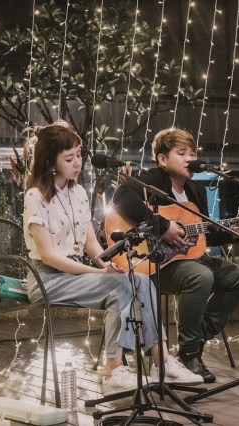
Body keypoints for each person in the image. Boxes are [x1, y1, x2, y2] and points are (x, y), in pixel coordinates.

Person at [23, 123, 203, 396]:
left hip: (75, 273)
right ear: (50, 162)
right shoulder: (35, 196)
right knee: (120, 287)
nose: (77, 163)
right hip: (47, 278)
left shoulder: (77, 193)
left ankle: (162, 363)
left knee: (140, 280)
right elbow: (48, 255)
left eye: (79, 155)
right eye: (69, 159)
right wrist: (97, 273)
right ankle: (114, 370)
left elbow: (90, 243)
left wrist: (106, 263)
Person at [112, 127, 239, 383]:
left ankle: (194, 341)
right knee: (201, 276)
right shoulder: (151, 180)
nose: (190, 158)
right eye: (182, 153)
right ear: (162, 159)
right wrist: (162, 226)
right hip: (154, 262)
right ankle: (189, 354)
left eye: (192, 153)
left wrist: (234, 231)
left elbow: (202, 234)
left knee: (238, 278)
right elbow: (122, 198)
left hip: (188, 259)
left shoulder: (196, 191)